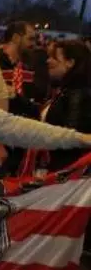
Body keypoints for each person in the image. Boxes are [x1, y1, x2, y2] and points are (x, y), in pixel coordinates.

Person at [23, 40, 91, 174]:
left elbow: (71, 138)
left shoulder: (77, 94)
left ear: (70, 62)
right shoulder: (67, 91)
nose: (48, 61)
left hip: (64, 173)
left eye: (54, 57)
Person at [0, 21, 45, 118]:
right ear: (16, 38)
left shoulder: (32, 65)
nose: (33, 44)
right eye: (30, 39)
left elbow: (38, 100)